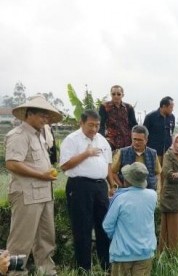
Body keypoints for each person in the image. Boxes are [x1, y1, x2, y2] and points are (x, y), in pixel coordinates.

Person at [5, 95, 62, 276]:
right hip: (26, 195)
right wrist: (41, 174)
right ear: (29, 114)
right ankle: (15, 273)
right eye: (42, 116)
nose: (45, 120)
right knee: (21, 241)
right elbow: (12, 163)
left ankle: (46, 271)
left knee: (46, 239)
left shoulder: (40, 136)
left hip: (44, 194)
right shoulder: (19, 135)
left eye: (47, 117)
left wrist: (47, 171)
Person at [60, 109, 112, 272]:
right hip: (80, 186)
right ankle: (84, 268)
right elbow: (64, 165)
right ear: (81, 123)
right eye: (90, 125)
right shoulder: (71, 140)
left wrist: (111, 184)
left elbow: (108, 164)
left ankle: (106, 266)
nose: (94, 129)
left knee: (103, 226)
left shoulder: (102, 140)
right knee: (82, 228)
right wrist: (86, 153)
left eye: (97, 125)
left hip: (100, 186)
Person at [102, 162, 157, 276]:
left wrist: (117, 237)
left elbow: (107, 225)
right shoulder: (152, 195)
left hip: (122, 253)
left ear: (127, 180)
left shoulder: (120, 198)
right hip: (145, 252)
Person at [109, 125, 161, 192]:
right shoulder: (122, 152)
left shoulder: (153, 153)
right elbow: (113, 172)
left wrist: (154, 186)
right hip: (128, 192)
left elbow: (157, 173)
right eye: (135, 139)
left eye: (140, 140)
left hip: (147, 191)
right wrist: (122, 186)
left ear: (146, 140)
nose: (136, 142)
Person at [98, 85, 138, 151]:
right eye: (113, 94)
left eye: (118, 94)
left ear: (123, 95)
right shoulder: (104, 106)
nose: (116, 96)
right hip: (111, 141)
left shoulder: (129, 107)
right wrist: (102, 139)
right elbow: (101, 124)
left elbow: (134, 124)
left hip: (127, 141)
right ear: (111, 94)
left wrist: (135, 139)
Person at [143, 96, 175, 165]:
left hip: (167, 153)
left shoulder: (172, 117)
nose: (172, 110)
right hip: (153, 153)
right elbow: (144, 135)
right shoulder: (150, 117)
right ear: (163, 106)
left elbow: (171, 132)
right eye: (171, 107)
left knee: (165, 173)